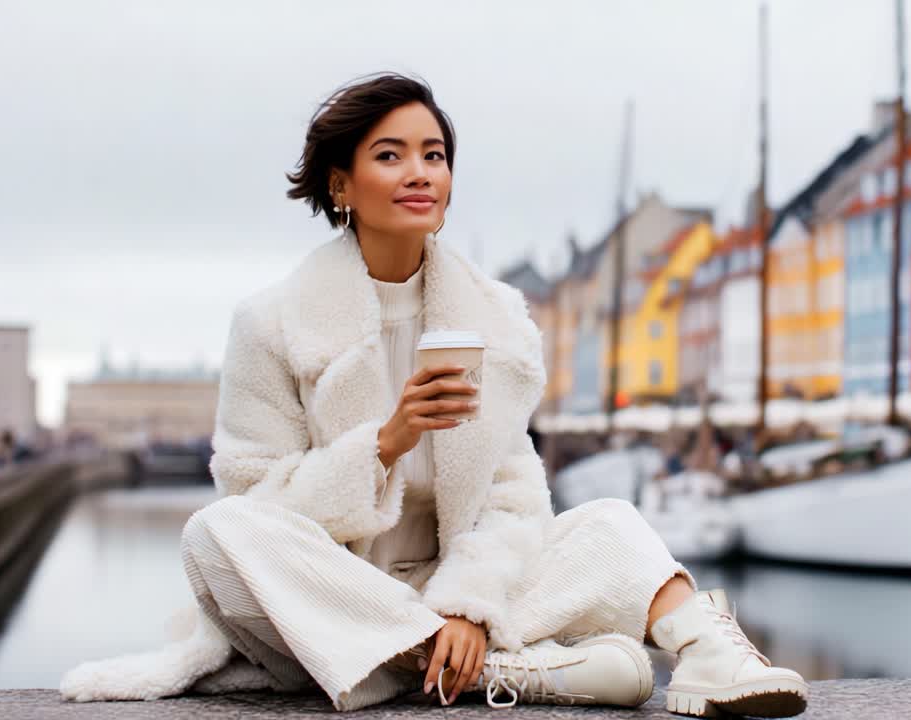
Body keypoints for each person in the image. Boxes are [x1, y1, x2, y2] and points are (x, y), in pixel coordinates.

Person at [60, 74, 806, 718]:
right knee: (216, 535)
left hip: (461, 594)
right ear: (340, 184)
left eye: (434, 156)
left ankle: (710, 656)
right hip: (330, 600)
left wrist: (465, 607)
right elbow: (258, 501)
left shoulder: (497, 322)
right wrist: (387, 442)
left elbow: (514, 502)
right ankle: (494, 672)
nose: (420, 172)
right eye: (391, 156)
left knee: (609, 520)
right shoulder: (272, 323)